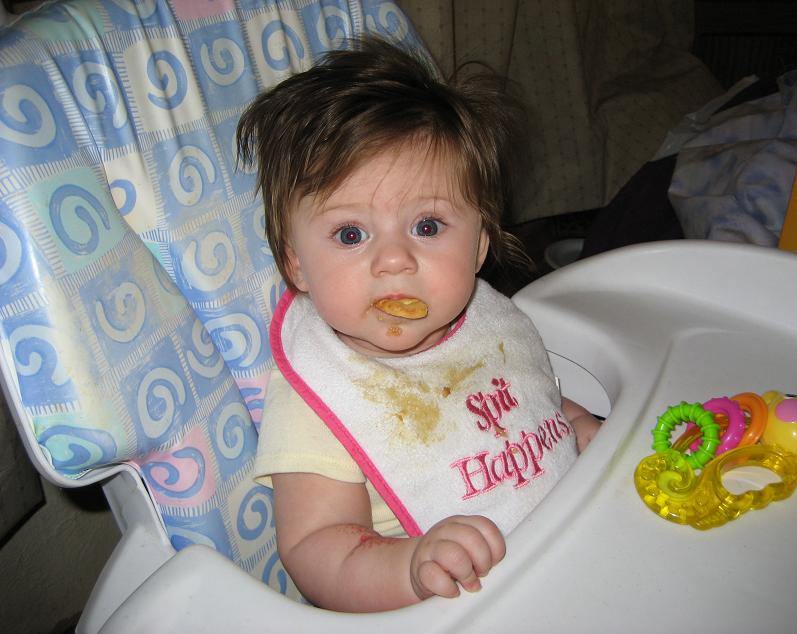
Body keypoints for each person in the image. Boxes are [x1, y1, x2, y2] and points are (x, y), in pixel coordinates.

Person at [238, 36, 601, 613]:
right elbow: (316, 547)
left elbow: (529, 405)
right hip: (466, 607)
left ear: (480, 244)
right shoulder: (322, 392)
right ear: (295, 264)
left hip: (578, 551)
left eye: (428, 226)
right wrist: (410, 565)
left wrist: (582, 430)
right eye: (351, 234)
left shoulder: (487, 324)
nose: (394, 260)